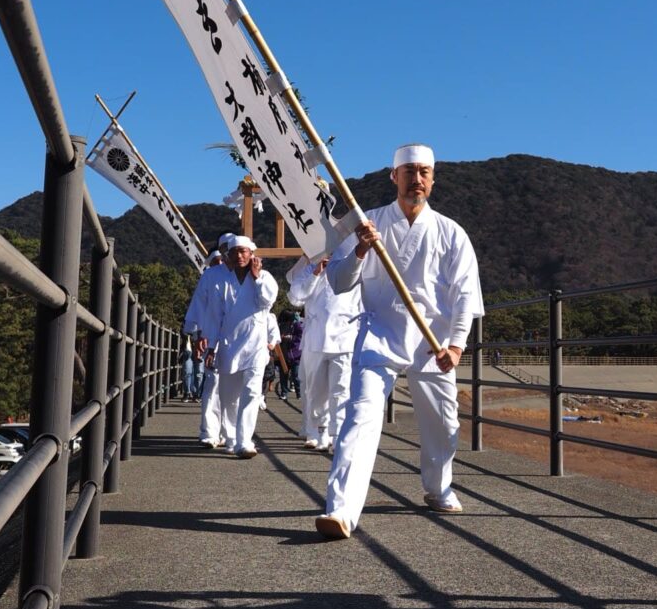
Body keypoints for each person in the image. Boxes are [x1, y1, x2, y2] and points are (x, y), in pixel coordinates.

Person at [315, 143, 483, 540]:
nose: (417, 179)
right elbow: (338, 282)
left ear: (433, 179)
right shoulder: (368, 223)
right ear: (394, 176)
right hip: (379, 337)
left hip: (432, 343)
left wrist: (456, 345)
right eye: (409, 171)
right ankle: (340, 510)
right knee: (360, 419)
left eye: (424, 172)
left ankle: (438, 488)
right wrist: (359, 250)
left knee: (443, 424)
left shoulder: (451, 233)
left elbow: (465, 297)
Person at [201, 236, 278, 458]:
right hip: (228, 344)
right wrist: (211, 347)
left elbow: (266, 302)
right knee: (229, 397)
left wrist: (256, 278)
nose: (240, 256)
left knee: (252, 393)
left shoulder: (265, 277)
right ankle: (232, 437)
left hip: (255, 345)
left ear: (252, 254)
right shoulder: (221, 282)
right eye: (235, 252)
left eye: (244, 251)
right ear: (229, 256)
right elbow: (215, 317)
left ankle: (245, 441)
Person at [287, 255, 361, 452]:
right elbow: (295, 297)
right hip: (315, 340)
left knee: (341, 391)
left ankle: (337, 435)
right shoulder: (311, 268)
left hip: (345, 339)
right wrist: (316, 273)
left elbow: (363, 304)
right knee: (315, 391)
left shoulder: (353, 267)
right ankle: (316, 431)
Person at [184, 237, 234, 447]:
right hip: (212, 337)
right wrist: (196, 335)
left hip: (237, 339)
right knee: (212, 383)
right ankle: (209, 432)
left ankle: (229, 433)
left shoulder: (246, 274)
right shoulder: (210, 276)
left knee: (232, 387)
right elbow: (198, 306)